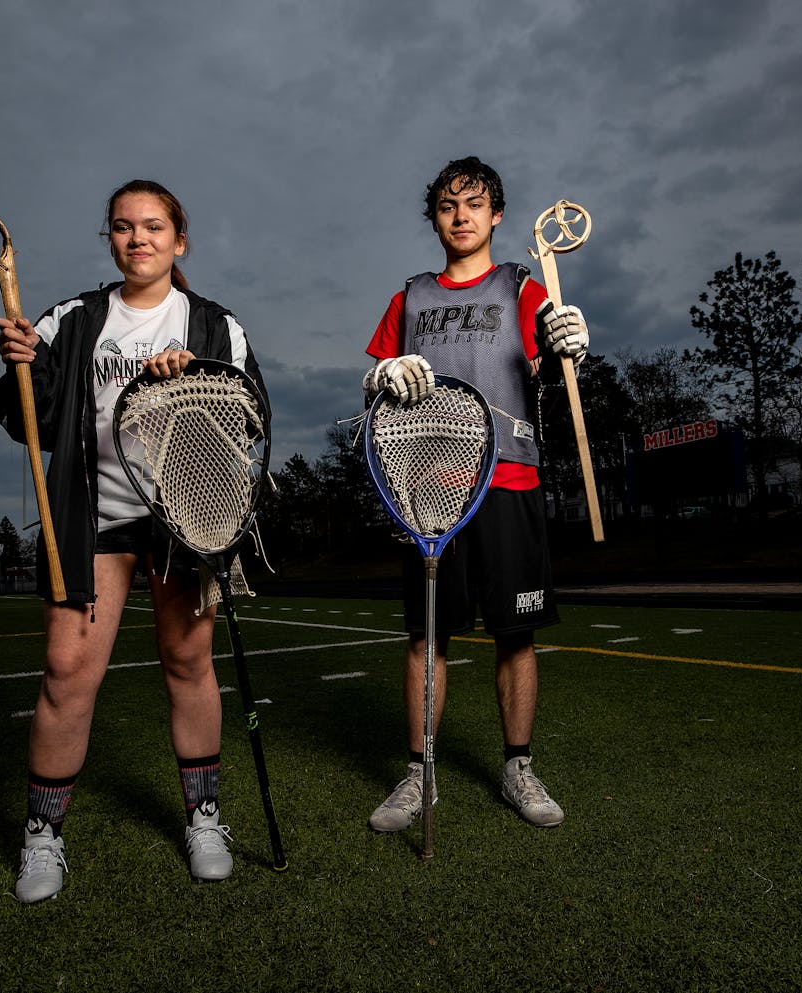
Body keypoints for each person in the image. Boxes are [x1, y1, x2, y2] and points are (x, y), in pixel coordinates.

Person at [0, 179, 267, 901]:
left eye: (152, 227)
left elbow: (252, 418)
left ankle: (204, 816)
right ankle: (43, 834)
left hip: (181, 514)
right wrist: (23, 359)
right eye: (122, 227)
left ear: (180, 240)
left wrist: (193, 375)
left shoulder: (213, 325)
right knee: (65, 671)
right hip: (94, 510)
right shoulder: (72, 317)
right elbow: (26, 417)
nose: (137, 238)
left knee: (187, 660)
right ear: (110, 239)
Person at [361, 156, 589, 834]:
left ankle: (517, 765)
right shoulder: (410, 297)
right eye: (447, 205)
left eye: (474, 203)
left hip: (509, 476)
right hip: (429, 486)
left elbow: (550, 362)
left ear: (496, 215)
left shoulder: (521, 287)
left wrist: (570, 344)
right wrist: (384, 374)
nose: (461, 215)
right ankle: (417, 772)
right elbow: (373, 376)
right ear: (434, 218)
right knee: (425, 635)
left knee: (514, 632)